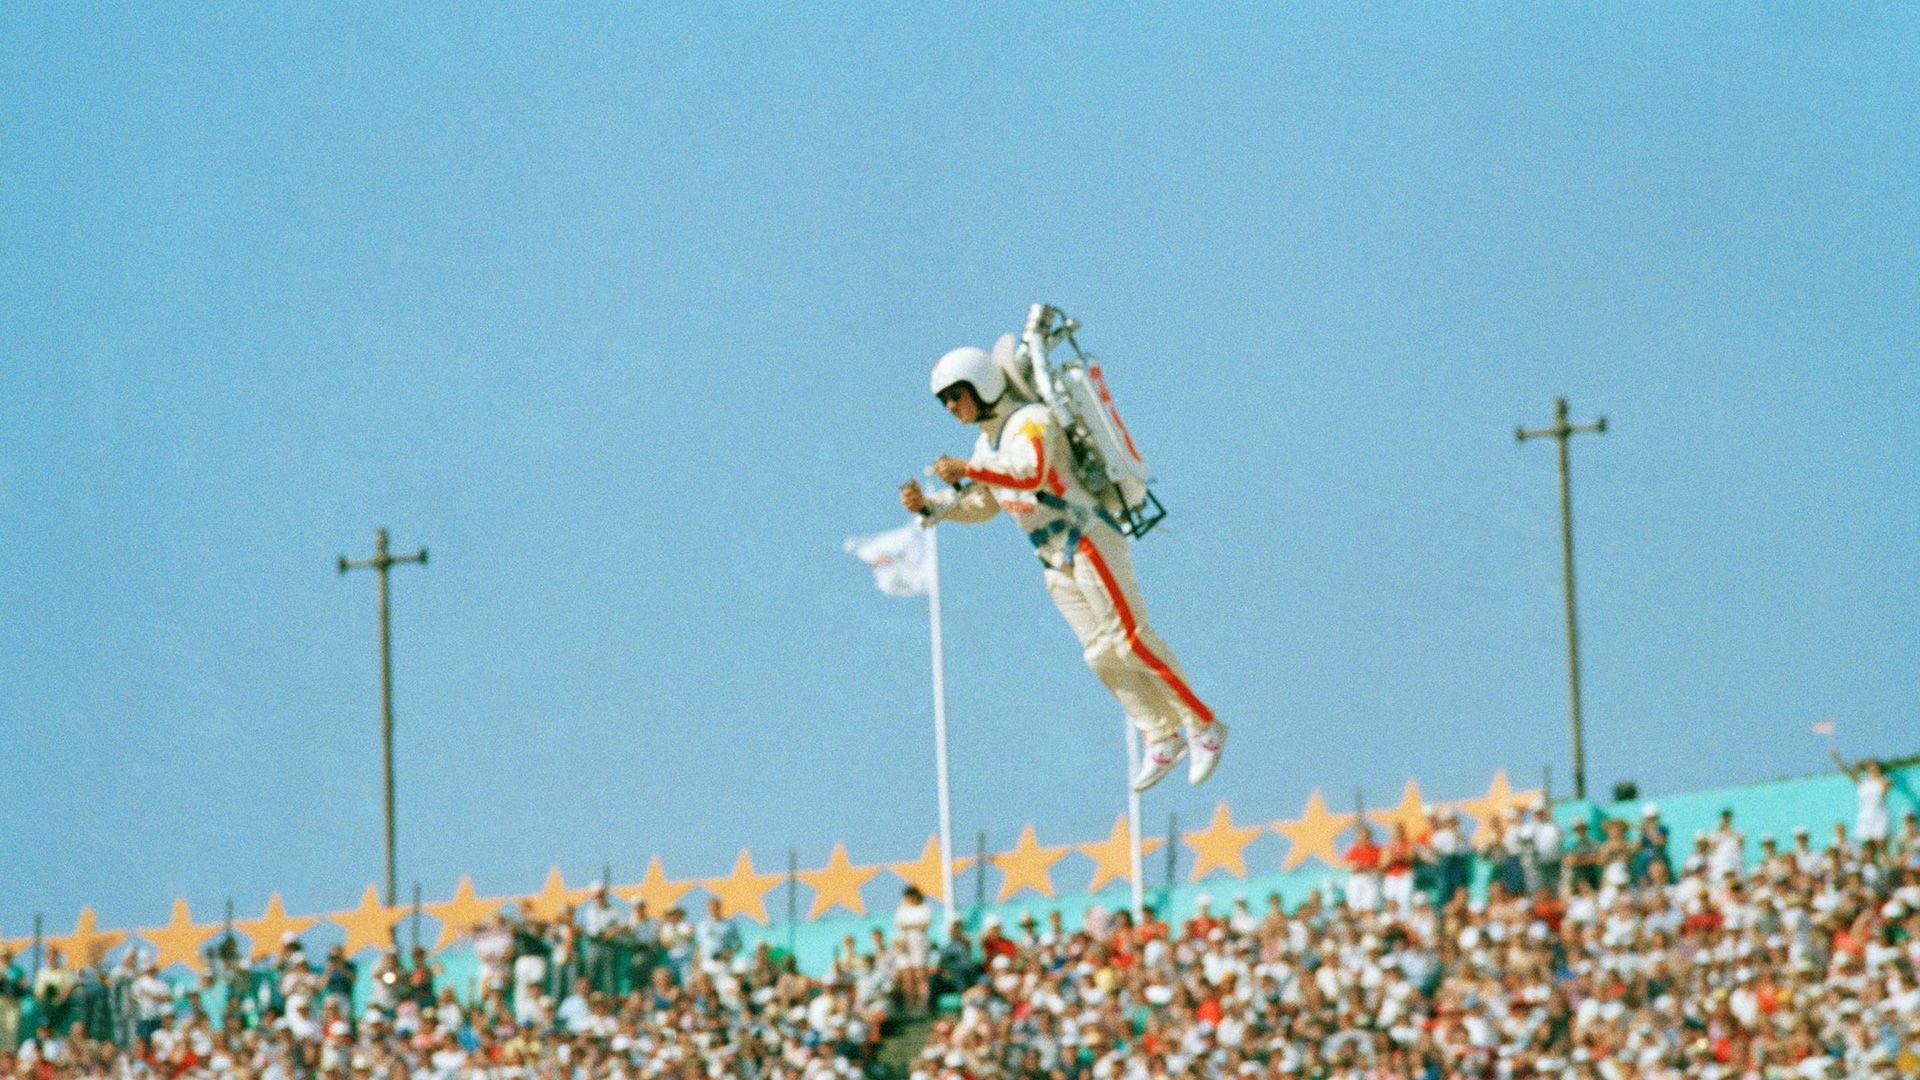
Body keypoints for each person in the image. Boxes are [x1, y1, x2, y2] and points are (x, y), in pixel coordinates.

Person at [901, 345, 1226, 792]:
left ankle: (1203, 723)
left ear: (981, 385)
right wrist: (932, 506)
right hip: (1052, 556)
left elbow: (1030, 474)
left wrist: (970, 468)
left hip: (1087, 538)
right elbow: (983, 503)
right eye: (945, 402)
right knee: (1099, 653)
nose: (952, 407)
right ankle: (1160, 732)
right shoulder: (985, 443)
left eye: (956, 395)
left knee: (1131, 640)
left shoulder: (1030, 420)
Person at [1830, 749, 1891, 845]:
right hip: (1865, 816)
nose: (1873, 769)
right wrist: (1837, 759)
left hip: (1879, 816)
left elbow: (1884, 790)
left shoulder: (1885, 779)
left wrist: (1876, 775)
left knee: (1881, 844)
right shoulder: (1863, 782)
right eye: (1870, 767)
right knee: (1866, 845)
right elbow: (1848, 772)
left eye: (1875, 767)